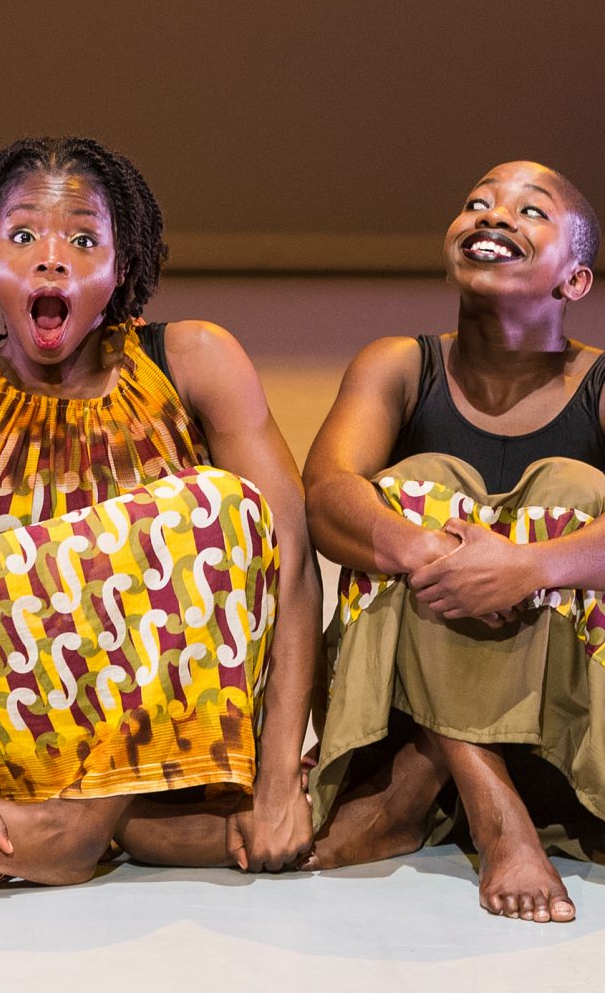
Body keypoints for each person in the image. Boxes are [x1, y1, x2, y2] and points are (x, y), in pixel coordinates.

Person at [0, 136, 320, 887]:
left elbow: (289, 566)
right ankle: (139, 828)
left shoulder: (193, 359)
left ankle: (92, 820)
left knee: (221, 509)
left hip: (179, 722)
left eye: (84, 239)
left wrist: (283, 777)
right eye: (23, 235)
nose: (51, 258)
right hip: (15, 740)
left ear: (121, 269)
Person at [303, 160, 604, 923]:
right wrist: (425, 551)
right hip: (411, 701)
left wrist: (525, 566)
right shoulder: (400, 364)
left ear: (575, 281)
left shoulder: (600, 384)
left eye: (531, 211)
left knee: (574, 490)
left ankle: (435, 774)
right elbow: (327, 493)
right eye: (476, 202)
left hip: (564, 722)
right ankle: (487, 792)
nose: (492, 215)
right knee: (413, 488)